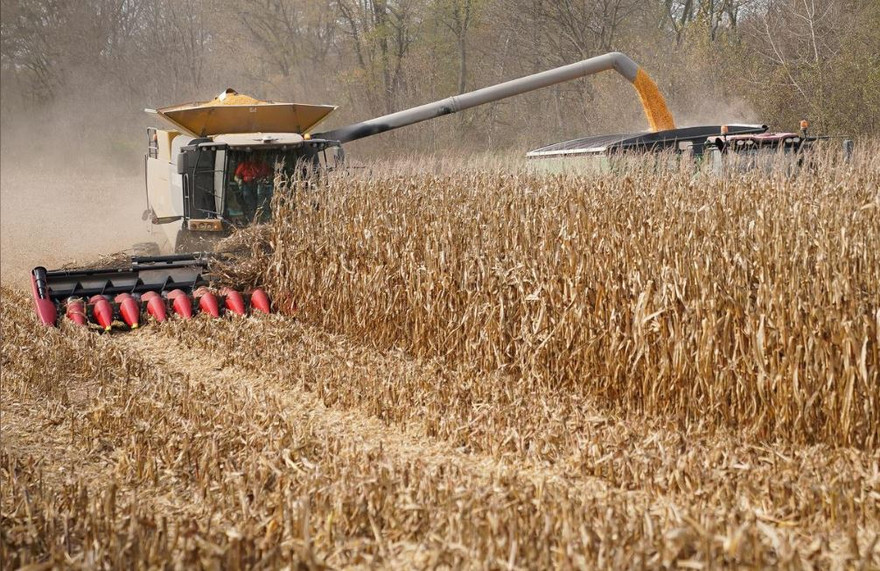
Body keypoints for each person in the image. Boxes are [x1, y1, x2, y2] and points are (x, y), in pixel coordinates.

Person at [232, 156, 272, 220]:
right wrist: (239, 181)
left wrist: (265, 179)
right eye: (252, 156)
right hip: (246, 185)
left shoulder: (263, 165)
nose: (254, 158)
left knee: (260, 202)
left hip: (259, 185)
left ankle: (260, 217)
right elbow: (236, 177)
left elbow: (269, 175)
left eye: (256, 156)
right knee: (249, 201)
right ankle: (251, 218)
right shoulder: (243, 165)